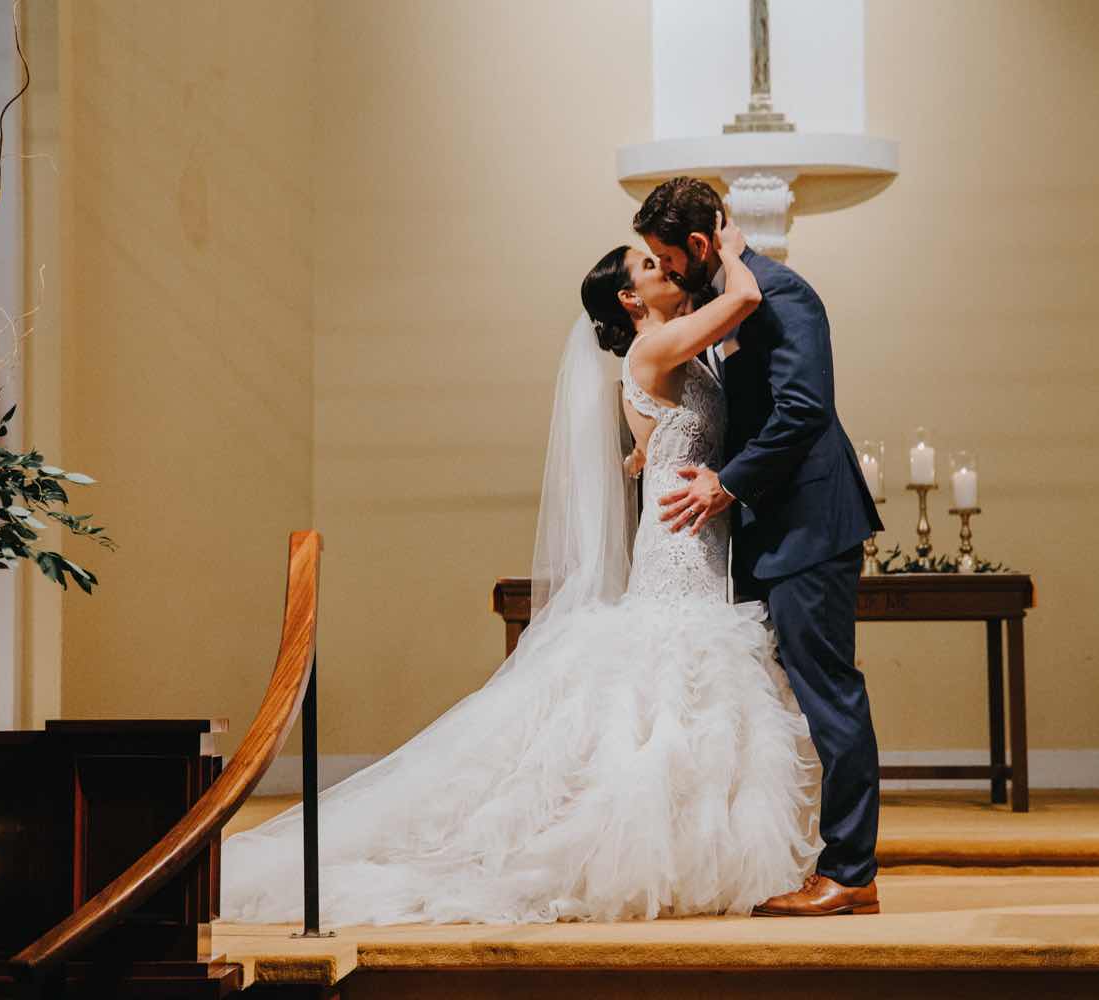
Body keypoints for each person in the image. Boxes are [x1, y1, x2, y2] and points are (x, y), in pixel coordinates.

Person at [220, 214, 825, 926]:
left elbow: (668, 434)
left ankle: (690, 851)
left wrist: (649, 456)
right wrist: (728, 248)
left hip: (695, 530)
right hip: (682, 545)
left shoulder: (669, 353)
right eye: (653, 268)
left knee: (681, 690)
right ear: (631, 302)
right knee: (678, 680)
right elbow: (747, 299)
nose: (668, 271)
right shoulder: (656, 346)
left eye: (665, 262)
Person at [633, 177, 884, 917]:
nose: (665, 272)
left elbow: (805, 408)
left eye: (666, 258)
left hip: (810, 525)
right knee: (788, 701)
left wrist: (725, 486)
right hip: (769, 532)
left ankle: (852, 871)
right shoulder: (726, 297)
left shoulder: (784, 294)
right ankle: (801, 858)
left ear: (700, 246)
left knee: (829, 696)